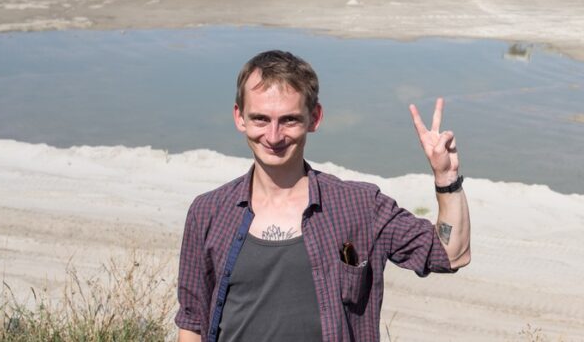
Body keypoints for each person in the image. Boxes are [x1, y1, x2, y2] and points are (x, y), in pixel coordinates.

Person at [175, 50, 470, 341]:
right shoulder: (208, 211)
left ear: (314, 118)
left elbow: (451, 254)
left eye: (289, 120)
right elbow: (192, 323)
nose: (274, 136)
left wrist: (446, 179)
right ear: (240, 118)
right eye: (261, 119)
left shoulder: (359, 206)